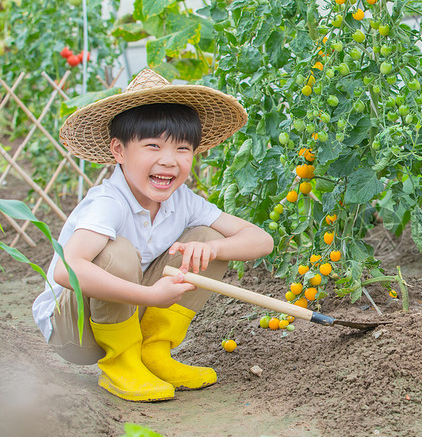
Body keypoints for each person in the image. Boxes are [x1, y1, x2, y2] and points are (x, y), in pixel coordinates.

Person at [32, 69, 273, 401]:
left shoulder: (183, 201)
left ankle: (154, 352)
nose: (168, 161)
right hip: (75, 332)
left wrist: (213, 248)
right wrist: (149, 297)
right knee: (116, 252)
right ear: (119, 151)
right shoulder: (108, 203)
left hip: (129, 313)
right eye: (153, 146)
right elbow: (66, 270)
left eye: (182, 149)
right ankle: (121, 362)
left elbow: (261, 240)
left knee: (204, 238)